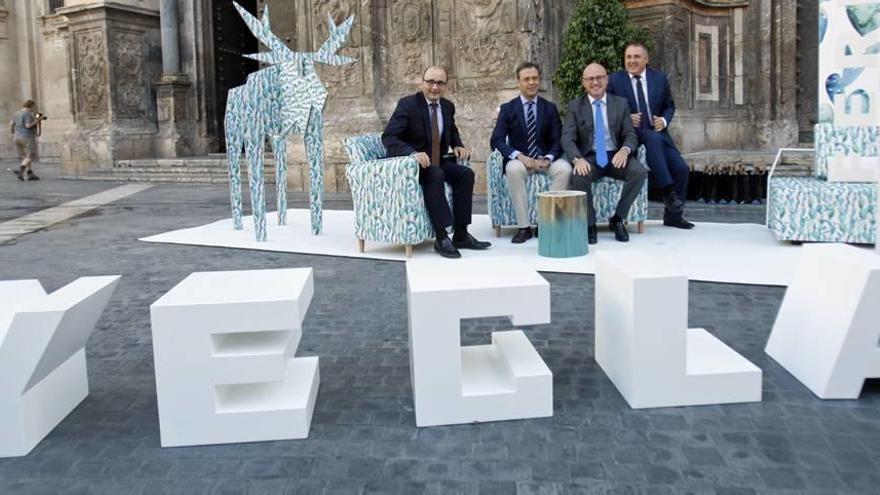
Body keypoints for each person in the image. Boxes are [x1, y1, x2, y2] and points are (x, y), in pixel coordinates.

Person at [382, 65, 491, 258]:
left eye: (440, 83)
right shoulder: (408, 105)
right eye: (430, 82)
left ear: (445, 85)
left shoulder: (447, 106)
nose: (434, 87)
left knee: (465, 174)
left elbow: (452, 130)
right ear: (422, 82)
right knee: (436, 173)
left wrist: (458, 145)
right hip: (413, 166)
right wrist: (412, 153)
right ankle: (441, 238)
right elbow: (389, 137)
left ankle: (461, 234)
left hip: (438, 161)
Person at [608, 42, 693, 229]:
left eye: (636, 57)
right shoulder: (615, 80)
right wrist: (626, 118)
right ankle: (668, 191)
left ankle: (673, 216)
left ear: (646, 59)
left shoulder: (659, 78)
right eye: (628, 57)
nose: (632, 61)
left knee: (681, 169)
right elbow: (606, 109)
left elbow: (669, 105)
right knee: (653, 139)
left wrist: (663, 120)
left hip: (657, 132)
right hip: (630, 135)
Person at [561, 63, 647, 244]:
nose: (595, 82)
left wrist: (625, 150)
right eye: (590, 79)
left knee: (639, 172)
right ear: (584, 83)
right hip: (591, 157)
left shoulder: (620, 103)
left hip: (616, 156)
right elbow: (567, 138)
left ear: (606, 79)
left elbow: (630, 134)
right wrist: (577, 159)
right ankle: (589, 224)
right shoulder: (575, 106)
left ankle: (617, 219)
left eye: (599, 77)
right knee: (579, 174)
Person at [490, 62, 572, 243]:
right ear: (518, 82)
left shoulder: (549, 108)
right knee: (512, 169)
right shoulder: (508, 108)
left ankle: (547, 224)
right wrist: (519, 156)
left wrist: (548, 158)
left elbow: (558, 139)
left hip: (545, 159)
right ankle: (524, 227)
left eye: (535, 78)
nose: (531, 82)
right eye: (527, 79)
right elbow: (496, 140)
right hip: (521, 160)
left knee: (565, 168)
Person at [9, 100, 45, 181]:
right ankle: (21, 169)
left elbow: (11, 124)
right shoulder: (27, 114)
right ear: (31, 106)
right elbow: (28, 126)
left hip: (17, 136)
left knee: (25, 156)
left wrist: (12, 133)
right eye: (33, 107)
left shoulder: (16, 113)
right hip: (27, 137)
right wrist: (38, 120)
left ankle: (29, 173)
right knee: (31, 155)